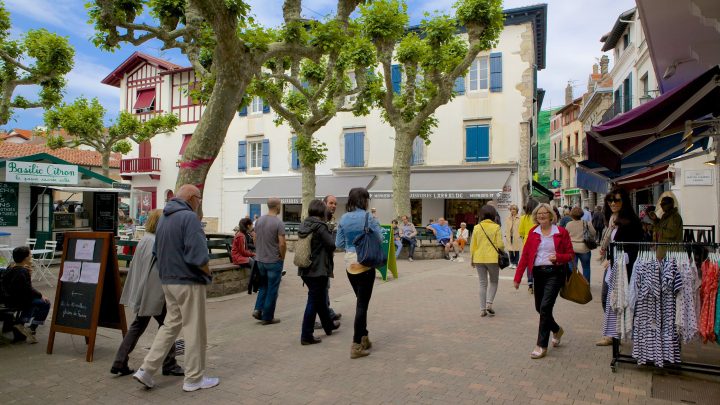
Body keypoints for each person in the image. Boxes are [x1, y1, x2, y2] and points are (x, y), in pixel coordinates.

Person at [133, 185, 218, 392]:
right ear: (190, 197)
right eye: (199, 198)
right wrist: (207, 273)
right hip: (188, 280)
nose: (199, 202)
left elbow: (156, 251)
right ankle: (194, 379)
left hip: (168, 280)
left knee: (170, 325)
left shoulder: (163, 218)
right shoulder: (189, 218)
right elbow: (198, 255)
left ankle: (146, 369)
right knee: (194, 329)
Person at [112, 210, 184, 377]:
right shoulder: (157, 241)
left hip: (145, 291)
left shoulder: (145, 239)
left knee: (139, 325)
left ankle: (120, 360)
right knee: (168, 325)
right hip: (156, 292)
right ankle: (169, 364)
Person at [513, 203, 574, 359]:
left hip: (555, 273)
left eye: (544, 213)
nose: (541, 216)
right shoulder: (533, 232)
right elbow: (526, 255)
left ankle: (541, 345)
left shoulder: (561, 232)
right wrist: (518, 277)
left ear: (551, 215)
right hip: (538, 274)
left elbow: (570, 254)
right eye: (539, 213)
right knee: (539, 308)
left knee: (545, 307)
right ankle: (557, 330)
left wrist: (558, 257)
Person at [335, 187, 381, 359]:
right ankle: (356, 345)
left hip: (349, 263)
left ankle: (364, 336)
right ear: (364, 200)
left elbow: (339, 242)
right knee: (362, 305)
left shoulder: (344, 218)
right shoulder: (369, 217)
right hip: (366, 263)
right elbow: (380, 238)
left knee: (361, 301)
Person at [596, 187, 643, 346]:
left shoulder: (631, 221)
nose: (613, 203)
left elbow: (635, 247)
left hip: (624, 267)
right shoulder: (612, 219)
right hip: (613, 264)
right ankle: (614, 333)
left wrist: (615, 258)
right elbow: (613, 244)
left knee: (617, 300)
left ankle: (618, 333)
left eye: (617, 200)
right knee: (606, 298)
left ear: (624, 201)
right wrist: (609, 257)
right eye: (610, 200)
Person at [298, 200, 342, 345]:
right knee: (314, 301)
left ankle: (328, 325)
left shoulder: (305, 224)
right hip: (318, 270)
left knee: (321, 299)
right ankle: (306, 335)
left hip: (305, 269)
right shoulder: (320, 226)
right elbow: (331, 245)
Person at [0, 247, 51, 344]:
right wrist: (41, 295)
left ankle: (21, 324)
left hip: (8, 299)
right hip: (18, 300)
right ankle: (30, 328)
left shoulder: (10, 267)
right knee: (45, 303)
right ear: (25, 258)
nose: (31, 256)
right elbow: (27, 289)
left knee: (33, 302)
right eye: (30, 254)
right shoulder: (22, 271)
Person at [252, 197, 286, 325]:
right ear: (277, 206)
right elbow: (282, 243)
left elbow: (254, 238)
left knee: (263, 286)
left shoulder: (259, 220)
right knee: (272, 289)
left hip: (260, 259)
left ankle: (258, 309)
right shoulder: (278, 223)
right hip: (273, 260)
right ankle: (267, 317)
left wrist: (259, 250)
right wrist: (282, 256)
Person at [470, 205, 505, 317]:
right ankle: (489, 303)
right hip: (492, 258)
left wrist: (472, 259)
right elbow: (500, 245)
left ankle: (482, 309)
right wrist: (503, 251)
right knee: (494, 281)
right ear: (493, 215)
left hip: (479, 258)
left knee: (482, 283)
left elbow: (472, 246)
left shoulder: (476, 227)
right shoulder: (496, 227)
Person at [565, 207, 596, 284]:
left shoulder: (569, 224)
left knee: (572, 267)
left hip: (572, 249)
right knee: (586, 267)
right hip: (584, 248)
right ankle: (586, 284)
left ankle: (574, 283)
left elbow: (565, 236)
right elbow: (594, 233)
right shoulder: (586, 223)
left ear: (571, 215)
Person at [518, 198, 539, 294]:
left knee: (529, 263)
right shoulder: (538, 217)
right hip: (539, 241)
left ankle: (530, 284)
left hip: (527, 242)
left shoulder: (524, 218)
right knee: (538, 262)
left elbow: (520, 231)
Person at [504, 205, 522, 269]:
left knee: (516, 250)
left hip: (516, 236)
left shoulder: (520, 218)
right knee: (510, 249)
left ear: (517, 210)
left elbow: (521, 227)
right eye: (511, 209)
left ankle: (515, 263)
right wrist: (506, 233)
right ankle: (511, 262)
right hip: (509, 235)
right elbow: (507, 227)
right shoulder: (508, 218)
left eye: (514, 209)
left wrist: (520, 234)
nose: (512, 210)